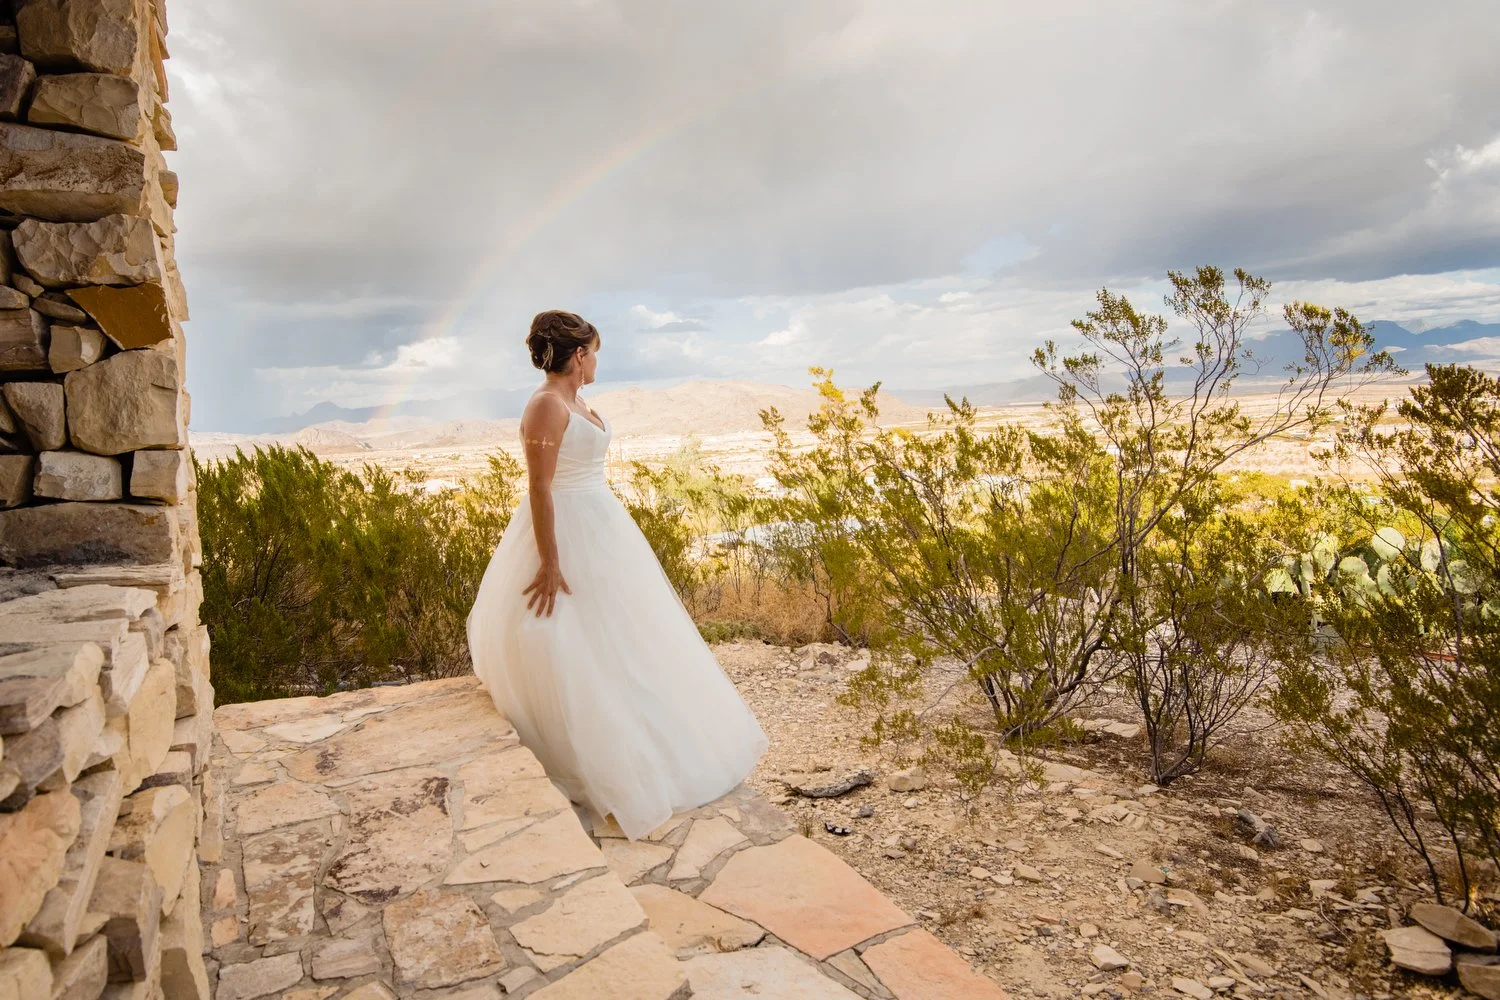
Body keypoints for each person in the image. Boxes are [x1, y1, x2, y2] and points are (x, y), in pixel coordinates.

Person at [467, 309, 769, 840]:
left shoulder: (577, 403)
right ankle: (596, 757)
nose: (598, 360)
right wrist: (550, 560)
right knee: (569, 638)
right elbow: (540, 488)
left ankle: (649, 743)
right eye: (595, 351)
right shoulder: (543, 406)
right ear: (578, 355)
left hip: (603, 529)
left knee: (628, 641)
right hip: (566, 531)